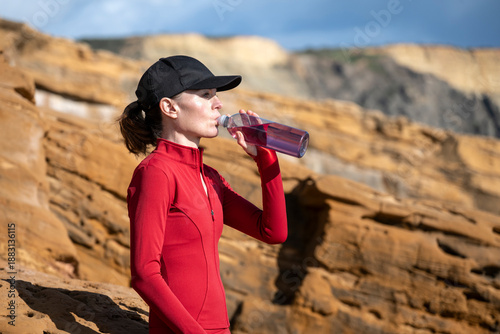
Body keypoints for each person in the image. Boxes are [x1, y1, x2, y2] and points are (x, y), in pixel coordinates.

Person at [118, 55, 288, 333]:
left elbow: (272, 232)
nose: (218, 104)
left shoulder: (210, 178)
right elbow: (144, 275)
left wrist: (266, 159)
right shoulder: (155, 172)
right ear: (170, 107)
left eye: (216, 95)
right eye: (205, 94)